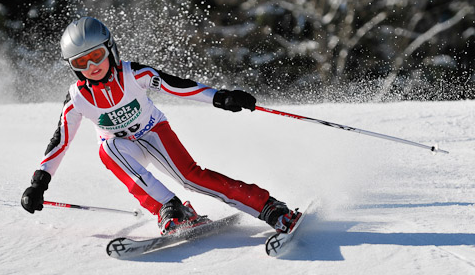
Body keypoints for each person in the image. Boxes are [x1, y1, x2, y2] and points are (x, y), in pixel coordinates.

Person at [21, 17, 298, 235]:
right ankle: (169, 208)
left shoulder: (133, 74)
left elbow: (177, 86)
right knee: (107, 149)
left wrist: (219, 97)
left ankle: (268, 206)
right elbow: (60, 141)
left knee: (191, 178)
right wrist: (39, 183)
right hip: (124, 149)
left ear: (110, 50)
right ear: (73, 67)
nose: (92, 66)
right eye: (82, 62)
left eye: (97, 56)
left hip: (154, 132)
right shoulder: (77, 98)